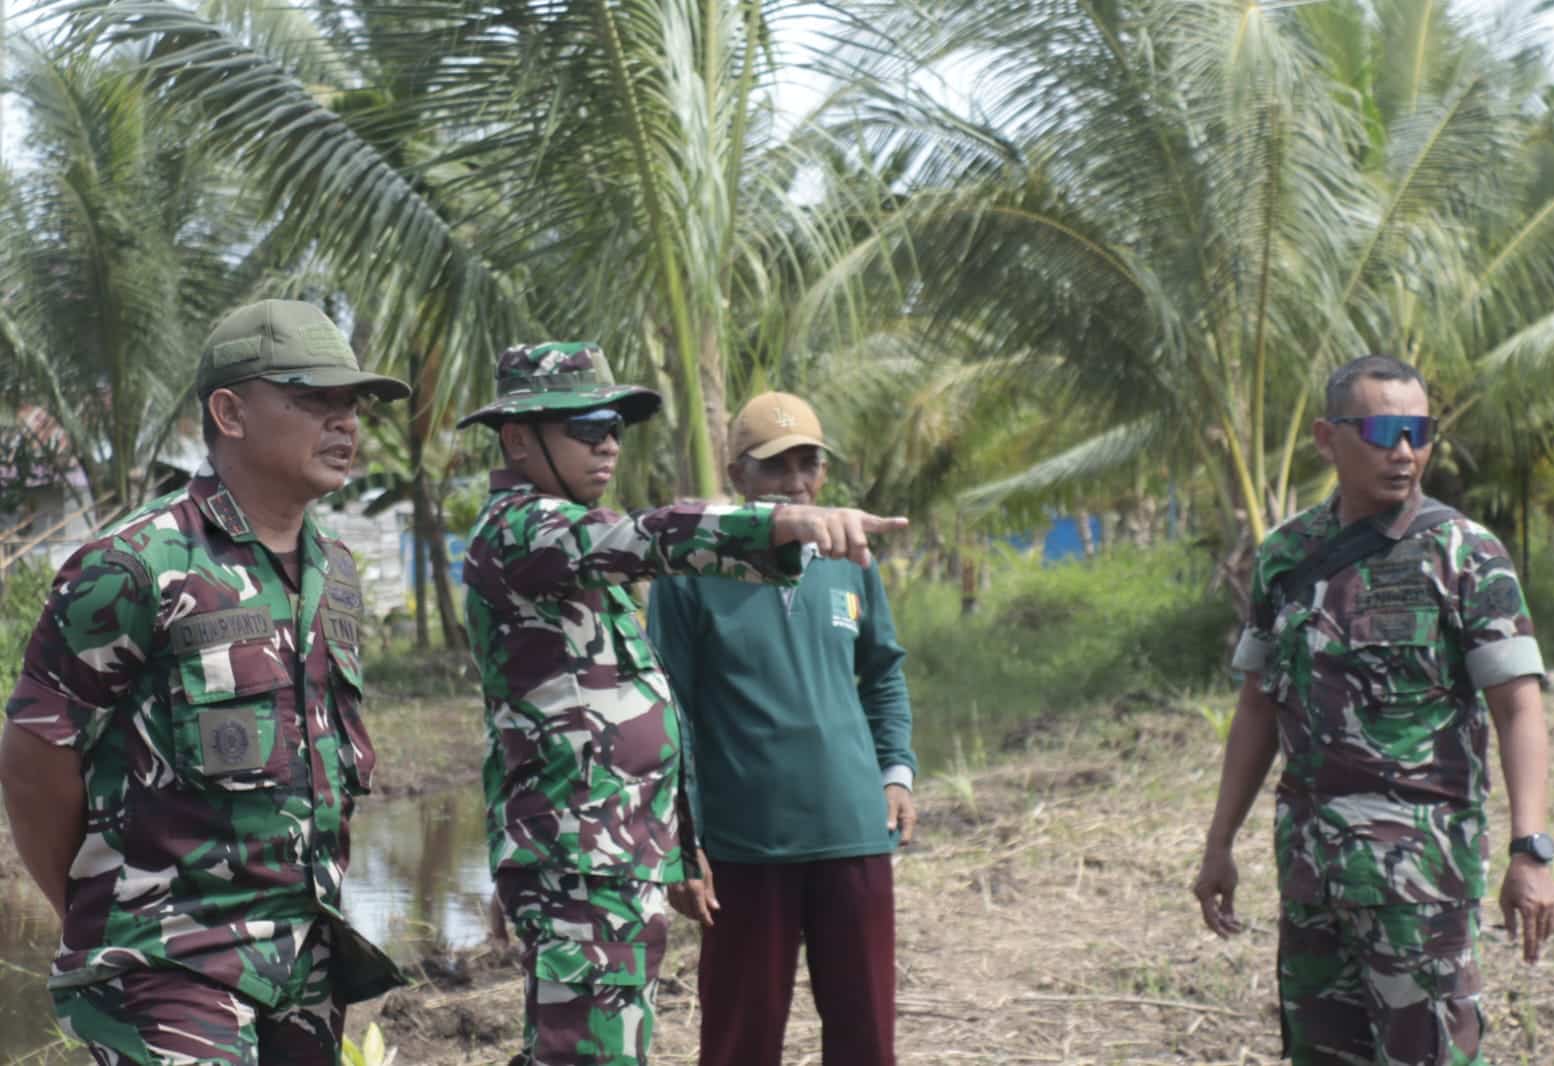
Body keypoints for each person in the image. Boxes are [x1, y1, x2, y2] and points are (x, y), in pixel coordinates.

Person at [456, 343, 908, 1066]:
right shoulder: (524, 530)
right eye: (584, 425)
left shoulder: (567, 546)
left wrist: (672, 844)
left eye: (615, 426)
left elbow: (656, 704)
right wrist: (779, 525)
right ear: (517, 438)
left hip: (615, 852)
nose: (606, 442)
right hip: (579, 859)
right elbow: (642, 536)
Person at [0, 299, 411, 1063]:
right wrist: (94, 914)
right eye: (314, 398)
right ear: (230, 411)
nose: (346, 421)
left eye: (351, 402)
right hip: (168, 962)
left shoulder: (337, 573)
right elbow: (34, 757)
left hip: (301, 963)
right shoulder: (136, 565)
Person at [1192, 354, 1554, 1065]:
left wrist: (1530, 849)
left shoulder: (1464, 554)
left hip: (1419, 879)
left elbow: (1519, 708)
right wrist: (1218, 843)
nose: (1403, 452)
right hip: (1311, 872)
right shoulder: (1285, 555)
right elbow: (1256, 707)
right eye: (1382, 430)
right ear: (1327, 440)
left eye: (1417, 431)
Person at [647, 391, 915, 1066]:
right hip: (745, 844)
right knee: (740, 1040)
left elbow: (881, 672)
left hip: (852, 832)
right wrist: (684, 839)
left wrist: (896, 771)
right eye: (774, 467)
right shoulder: (691, 573)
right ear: (738, 475)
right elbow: (669, 708)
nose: (796, 483)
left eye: (809, 464)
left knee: (865, 1039)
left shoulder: (848, 561)